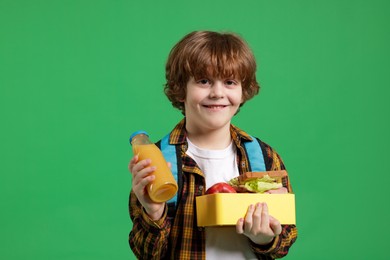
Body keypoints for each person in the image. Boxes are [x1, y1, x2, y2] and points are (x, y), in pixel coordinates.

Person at [128, 31, 297, 259]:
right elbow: (146, 253)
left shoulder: (264, 156)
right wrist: (153, 211)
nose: (218, 93)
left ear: (242, 90)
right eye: (204, 81)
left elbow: (285, 239)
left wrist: (265, 238)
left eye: (229, 82)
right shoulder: (158, 161)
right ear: (180, 89)